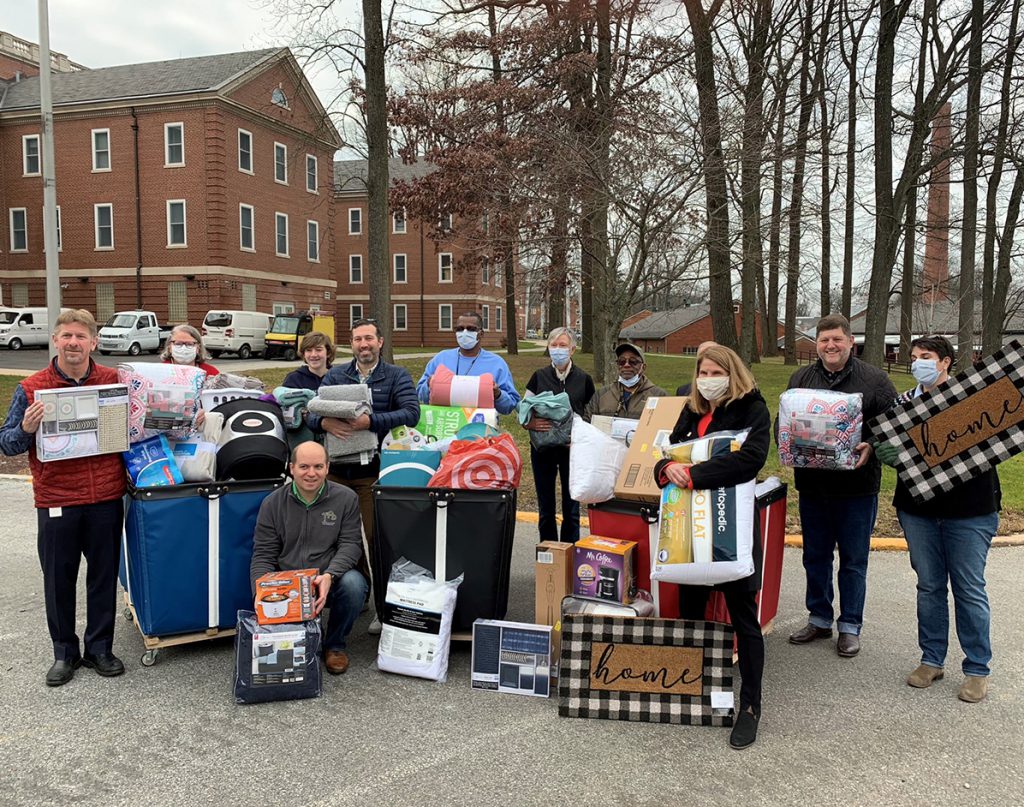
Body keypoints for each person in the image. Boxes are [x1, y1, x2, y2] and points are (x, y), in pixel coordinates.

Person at [0, 310, 127, 686]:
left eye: (81, 336)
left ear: (93, 342)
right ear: (55, 340)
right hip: (57, 498)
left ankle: (100, 648)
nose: (73, 343)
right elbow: (7, 443)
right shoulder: (31, 388)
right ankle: (64, 653)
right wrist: (26, 428)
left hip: (105, 496)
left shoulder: (114, 381)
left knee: (103, 577)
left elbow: (135, 427)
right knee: (58, 579)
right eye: (66, 336)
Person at [653, 344, 771, 749]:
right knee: (691, 612)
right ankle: (693, 687)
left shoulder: (752, 408)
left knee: (744, 618)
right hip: (689, 532)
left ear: (731, 373)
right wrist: (665, 468)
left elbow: (751, 459)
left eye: (715, 372)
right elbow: (666, 453)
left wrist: (694, 475)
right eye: (702, 372)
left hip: (728, 528)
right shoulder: (692, 410)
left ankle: (750, 707)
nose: (707, 379)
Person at [874, 336, 1001, 703]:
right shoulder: (902, 404)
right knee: (929, 586)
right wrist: (887, 451)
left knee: (968, 588)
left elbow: (989, 442)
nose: (918, 363)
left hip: (971, 510)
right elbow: (886, 440)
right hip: (919, 510)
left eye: (926, 357)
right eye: (914, 357)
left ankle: (977, 668)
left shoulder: (972, 398)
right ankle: (931, 659)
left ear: (945, 362)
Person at [782, 313, 897, 657]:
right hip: (813, 486)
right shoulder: (801, 378)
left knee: (853, 560)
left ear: (850, 341)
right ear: (816, 344)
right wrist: (786, 444)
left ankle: (849, 626)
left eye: (836, 339)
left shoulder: (875, 380)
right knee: (815, 557)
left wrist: (872, 444)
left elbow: (895, 425)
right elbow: (784, 421)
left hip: (856, 487)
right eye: (824, 340)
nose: (830, 346)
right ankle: (819, 618)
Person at [308, 318, 420, 632]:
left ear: (380, 341)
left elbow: (412, 413)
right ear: (352, 343)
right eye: (358, 339)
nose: (363, 344)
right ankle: (360, 595)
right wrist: (324, 423)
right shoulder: (336, 375)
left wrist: (370, 422)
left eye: (369, 338)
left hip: (374, 473)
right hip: (337, 473)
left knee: (377, 539)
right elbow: (311, 414)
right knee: (343, 540)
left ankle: (386, 608)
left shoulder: (396, 375)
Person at [250, 441, 368, 675]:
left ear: (327, 467)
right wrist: (260, 593)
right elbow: (263, 553)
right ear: (291, 468)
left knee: (355, 584)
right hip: (288, 584)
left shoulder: (346, 498)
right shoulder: (272, 503)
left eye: (318, 466)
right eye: (304, 466)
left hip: (326, 578)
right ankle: (301, 640)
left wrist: (330, 575)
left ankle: (335, 645)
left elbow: (351, 544)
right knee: (288, 655)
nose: (311, 473)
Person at [522, 327, 596, 543]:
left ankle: (569, 553)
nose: (557, 349)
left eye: (562, 345)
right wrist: (530, 423)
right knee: (546, 508)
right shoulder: (539, 377)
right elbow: (523, 409)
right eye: (553, 345)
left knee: (571, 509)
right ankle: (549, 554)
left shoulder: (584, 379)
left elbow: (591, 415)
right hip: (542, 450)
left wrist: (580, 437)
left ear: (572, 349)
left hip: (572, 451)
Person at [416, 311, 520, 415]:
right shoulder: (441, 359)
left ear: (481, 334)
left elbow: (510, 404)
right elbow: (421, 395)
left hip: (480, 423)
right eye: (460, 329)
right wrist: (429, 384)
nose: (464, 332)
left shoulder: (497, 364)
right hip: (444, 421)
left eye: (471, 329)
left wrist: (498, 394)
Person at [583, 342, 666, 420]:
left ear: (643, 367)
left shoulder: (659, 396)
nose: (626, 365)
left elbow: (666, 426)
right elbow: (587, 423)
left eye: (633, 362)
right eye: (621, 362)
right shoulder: (601, 395)